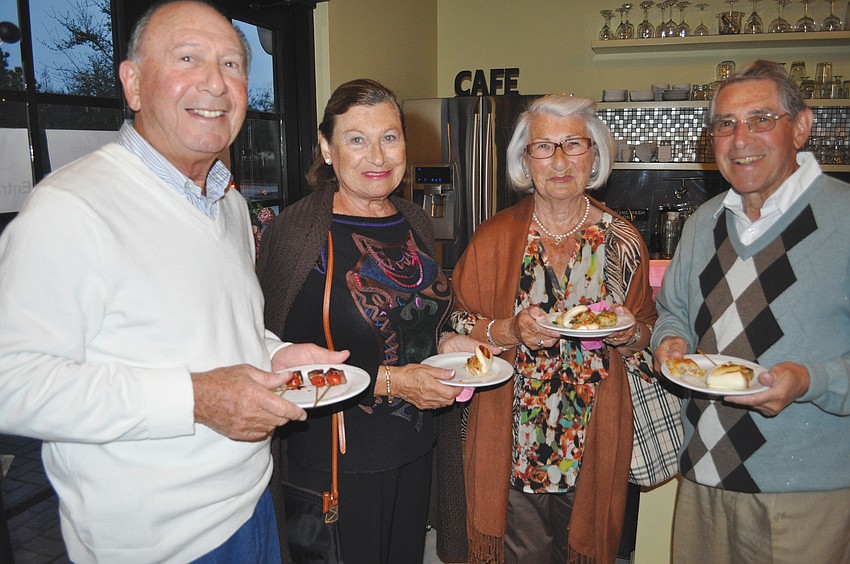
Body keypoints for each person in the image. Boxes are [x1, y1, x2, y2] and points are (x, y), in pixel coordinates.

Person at [0, 2, 347, 562]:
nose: (216, 82)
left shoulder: (228, 203)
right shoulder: (69, 209)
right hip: (158, 545)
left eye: (234, 65)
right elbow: (11, 386)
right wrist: (195, 398)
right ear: (132, 84)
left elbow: (214, 329)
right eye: (189, 58)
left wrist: (275, 354)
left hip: (253, 505)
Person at [257, 78, 491, 564]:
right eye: (356, 139)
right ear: (326, 148)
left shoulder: (413, 220)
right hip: (337, 462)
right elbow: (273, 359)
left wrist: (448, 340)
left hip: (413, 446)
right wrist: (391, 382)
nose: (377, 156)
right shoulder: (296, 234)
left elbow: (425, 314)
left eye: (390, 137)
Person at [652, 59, 850, 563]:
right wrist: (668, 342)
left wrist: (811, 381)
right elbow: (672, 312)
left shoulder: (843, 220)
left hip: (805, 490)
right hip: (703, 476)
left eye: (761, 119)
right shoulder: (703, 223)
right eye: (725, 124)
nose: (741, 139)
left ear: (801, 127)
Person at [449, 94, 657, 563]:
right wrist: (507, 329)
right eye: (544, 147)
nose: (560, 161)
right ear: (525, 159)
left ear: (595, 154)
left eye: (573, 145)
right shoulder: (495, 237)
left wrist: (629, 335)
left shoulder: (623, 240)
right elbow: (455, 321)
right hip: (515, 438)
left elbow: (648, 331)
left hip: (595, 436)